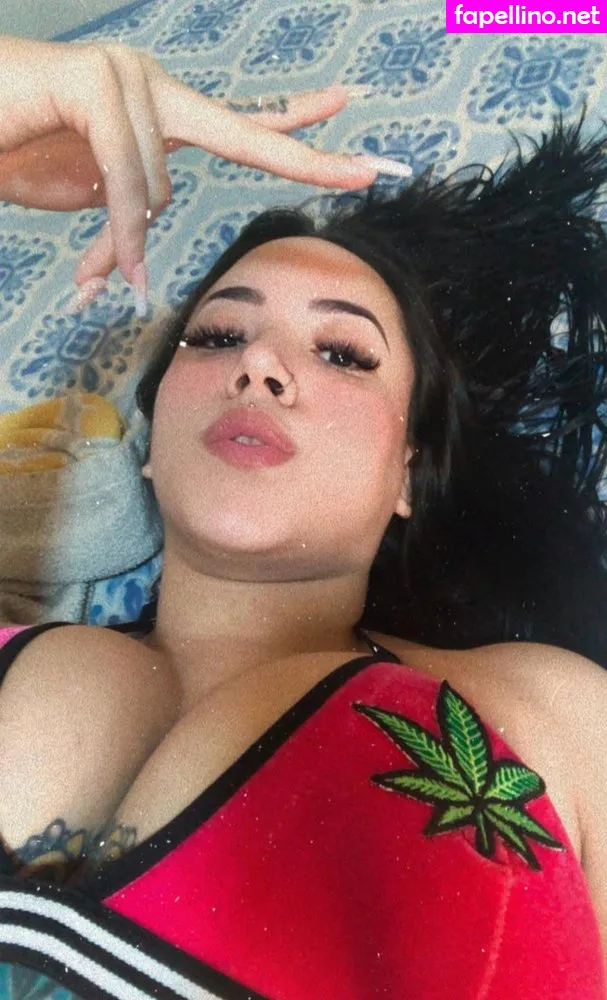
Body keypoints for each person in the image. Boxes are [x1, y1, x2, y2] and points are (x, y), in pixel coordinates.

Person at [0, 33, 605, 1000]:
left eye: (343, 354)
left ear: (408, 473)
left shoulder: (557, 714)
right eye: (218, 334)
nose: (259, 366)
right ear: (149, 442)